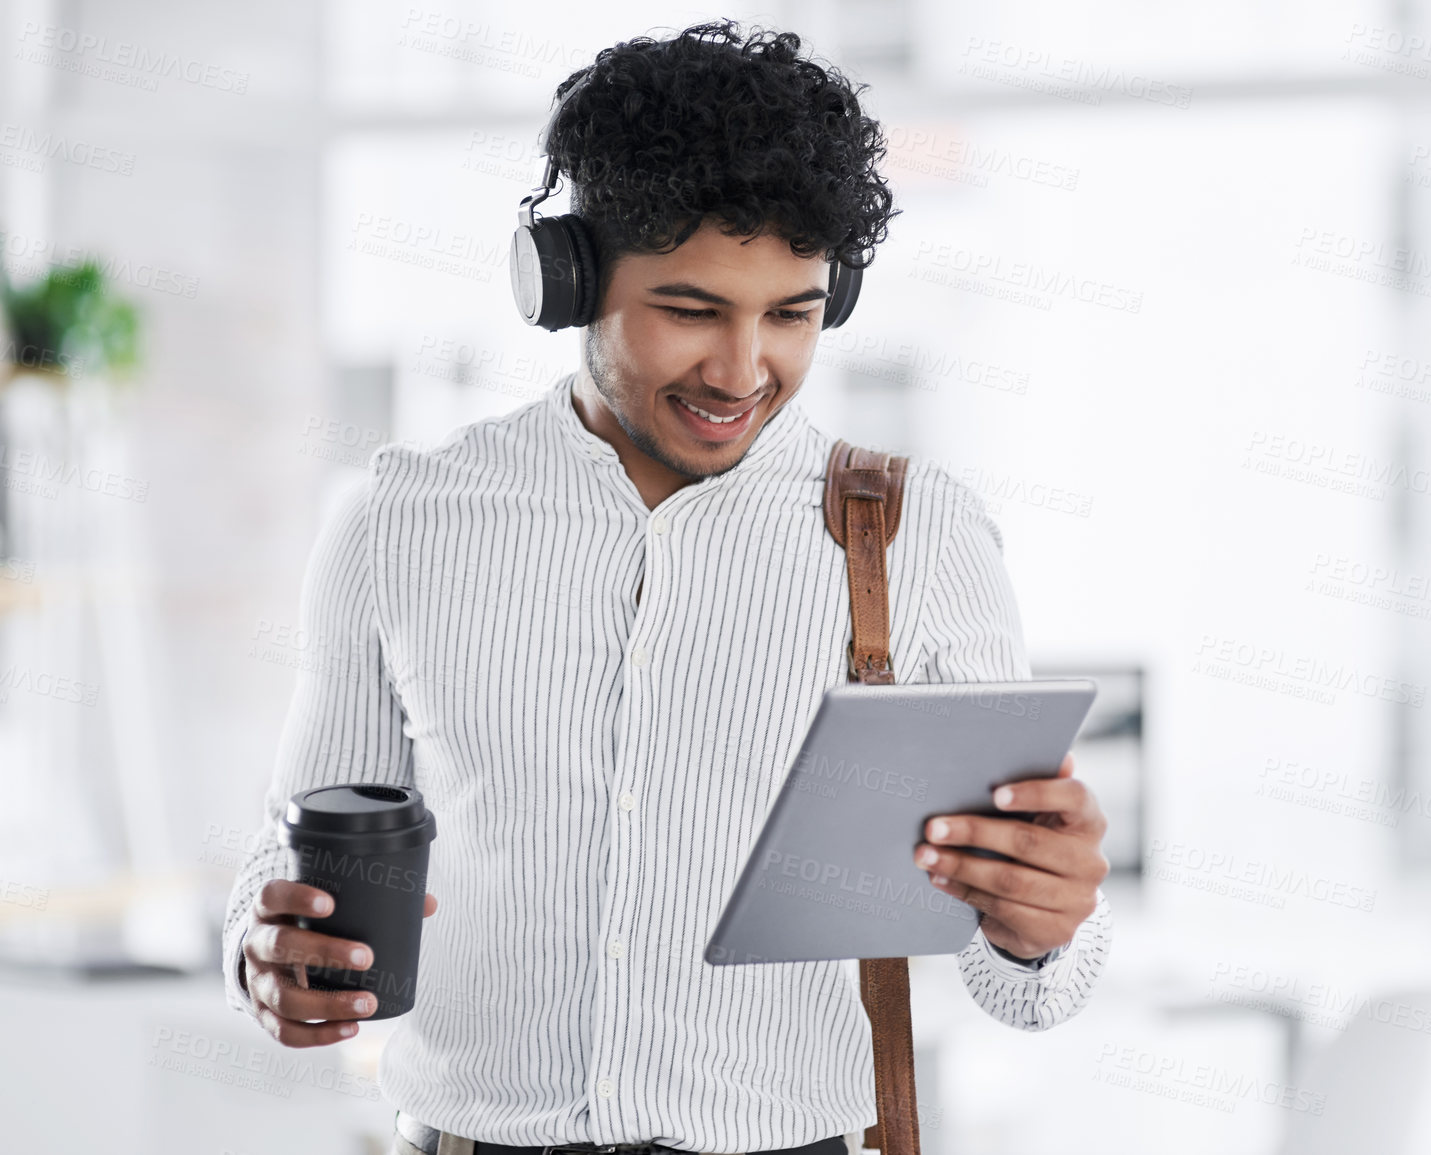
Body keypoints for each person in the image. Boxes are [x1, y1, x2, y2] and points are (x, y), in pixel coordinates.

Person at [222, 20, 1113, 1155]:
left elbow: (1032, 989)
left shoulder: (918, 534)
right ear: (568, 277)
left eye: (790, 315)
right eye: (691, 311)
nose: (742, 373)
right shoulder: (398, 522)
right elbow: (292, 850)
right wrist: (264, 951)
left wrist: (1044, 927)